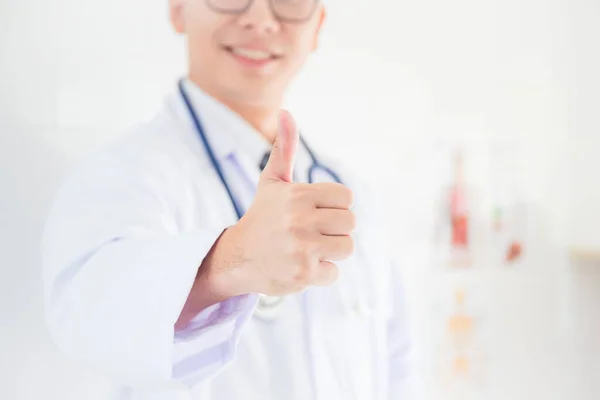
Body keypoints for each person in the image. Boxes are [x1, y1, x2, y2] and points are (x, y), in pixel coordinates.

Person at [41, 0, 415, 399]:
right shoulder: (123, 174)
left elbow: (398, 367)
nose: (260, 19)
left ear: (318, 25)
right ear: (179, 8)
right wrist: (229, 261)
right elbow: (86, 310)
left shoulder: (348, 190)